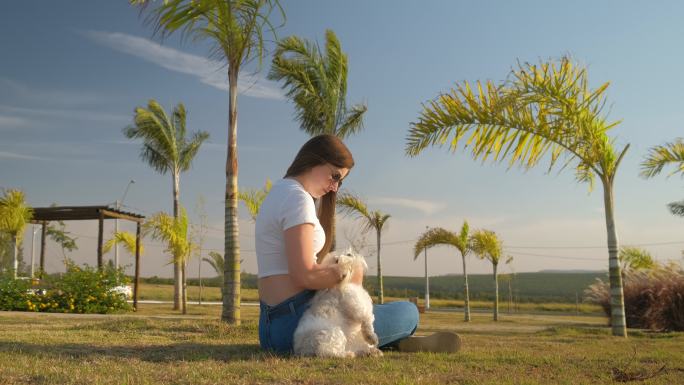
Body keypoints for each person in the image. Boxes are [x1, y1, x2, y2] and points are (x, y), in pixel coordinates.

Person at [256, 134, 461, 354]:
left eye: (340, 181)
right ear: (314, 160)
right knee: (408, 312)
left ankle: (388, 341)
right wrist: (347, 271)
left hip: (270, 327)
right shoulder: (297, 199)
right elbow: (304, 275)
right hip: (298, 326)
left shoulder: (279, 192)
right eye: (334, 176)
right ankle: (390, 338)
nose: (334, 187)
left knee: (379, 311)